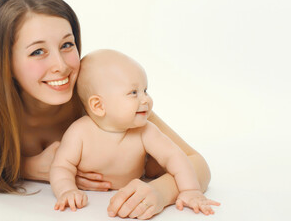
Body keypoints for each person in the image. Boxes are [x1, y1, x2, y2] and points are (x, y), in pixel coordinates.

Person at [0, 0, 213, 219]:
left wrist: (162, 191)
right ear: (4, 63)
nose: (61, 66)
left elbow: (196, 162)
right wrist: (26, 168)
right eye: (37, 51)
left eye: (67, 45)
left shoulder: (95, 96)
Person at [50, 49, 220, 216]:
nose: (146, 99)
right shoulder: (79, 132)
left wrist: (190, 189)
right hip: (91, 209)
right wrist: (67, 191)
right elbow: (62, 166)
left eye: (145, 91)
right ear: (98, 106)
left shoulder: (145, 131)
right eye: (133, 93)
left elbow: (175, 157)